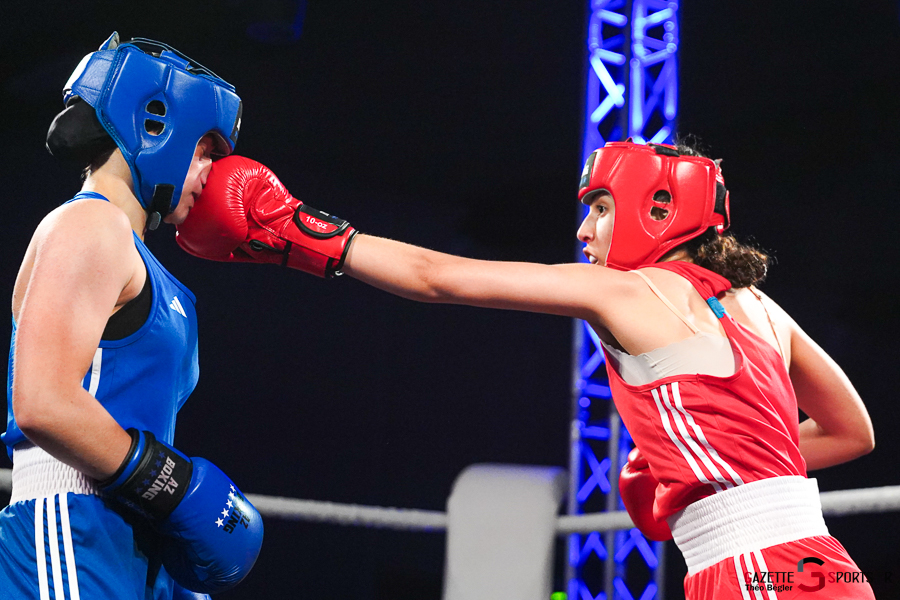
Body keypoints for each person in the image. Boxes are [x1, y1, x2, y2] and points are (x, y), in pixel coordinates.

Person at [176, 141, 876, 599]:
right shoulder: (761, 306)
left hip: (753, 572)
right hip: (827, 566)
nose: (583, 233)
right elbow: (851, 432)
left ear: (657, 208)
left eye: (600, 208)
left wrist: (297, 227)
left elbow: (437, 278)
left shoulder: (628, 291)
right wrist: (709, 473)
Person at [2, 33, 263, 600]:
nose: (213, 172)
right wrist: (170, 487)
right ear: (154, 125)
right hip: (71, 527)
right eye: (206, 150)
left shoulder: (144, 264)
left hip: (127, 535)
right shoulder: (88, 226)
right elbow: (42, 402)